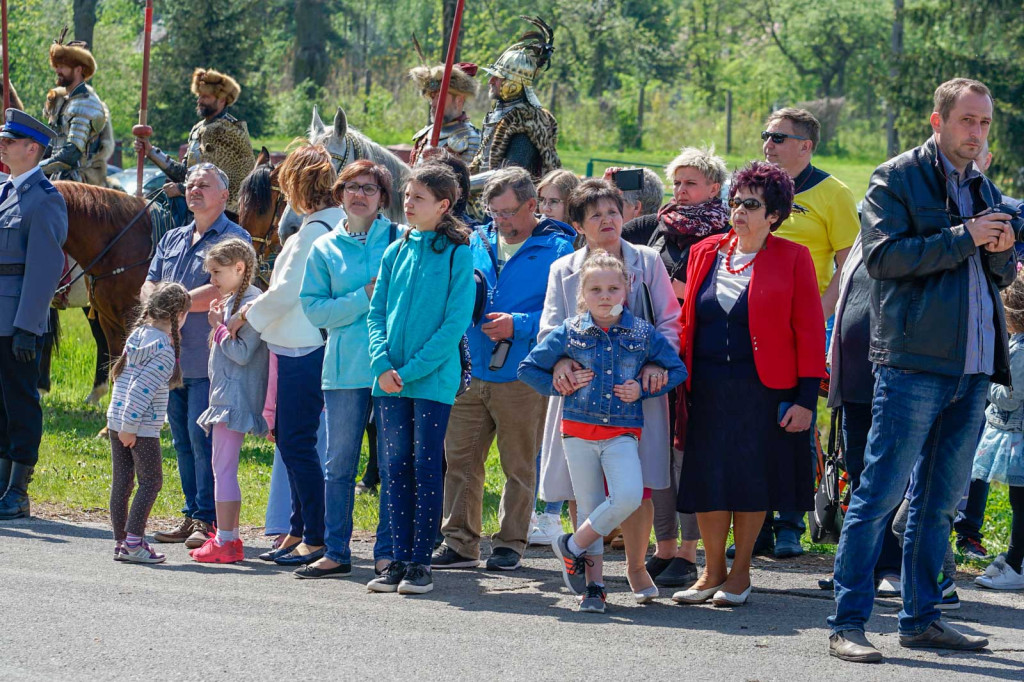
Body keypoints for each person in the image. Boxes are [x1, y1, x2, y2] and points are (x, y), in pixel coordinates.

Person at [828, 78, 1020, 663]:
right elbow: (885, 260)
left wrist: (1001, 250)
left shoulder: (985, 186)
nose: (976, 132)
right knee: (880, 494)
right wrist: (965, 236)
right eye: (966, 121)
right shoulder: (894, 177)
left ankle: (922, 620)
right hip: (912, 363)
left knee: (939, 505)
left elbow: (1000, 276)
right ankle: (848, 623)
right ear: (937, 122)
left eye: (985, 123)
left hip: (972, 368)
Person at [674, 161, 825, 607]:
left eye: (751, 204)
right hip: (706, 388)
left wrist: (804, 399)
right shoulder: (705, 251)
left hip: (764, 392)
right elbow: (685, 319)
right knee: (707, 480)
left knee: (750, 481)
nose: (739, 210)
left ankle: (740, 575)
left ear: (774, 214)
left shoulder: (792, 258)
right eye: (735, 201)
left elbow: (811, 332)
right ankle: (711, 571)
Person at [520, 250, 686, 613]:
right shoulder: (570, 332)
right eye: (596, 289)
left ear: (627, 289)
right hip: (576, 433)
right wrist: (560, 384)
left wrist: (645, 388)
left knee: (627, 495)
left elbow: (677, 371)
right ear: (583, 293)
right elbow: (528, 368)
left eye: (613, 288)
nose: (605, 296)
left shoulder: (643, 333)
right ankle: (593, 588)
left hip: (623, 432)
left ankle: (573, 544)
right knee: (590, 505)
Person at [431, 167, 575, 572]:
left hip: (523, 375)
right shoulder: (476, 241)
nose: (502, 221)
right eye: (494, 213)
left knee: (519, 464)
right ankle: (459, 542)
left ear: (532, 205)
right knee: (459, 460)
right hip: (471, 370)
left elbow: (563, 313)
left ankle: (511, 542)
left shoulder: (559, 251)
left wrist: (521, 324)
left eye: (510, 212)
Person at [621, 146, 731, 587]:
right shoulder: (652, 229)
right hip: (652, 355)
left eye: (691, 183)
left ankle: (690, 550)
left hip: (702, 359)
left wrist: (672, 287)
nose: (681, 192)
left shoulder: (728, 233)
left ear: (715, 188)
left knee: (688, 455)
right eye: (677, 183)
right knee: (657, 454)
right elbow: (603, 238)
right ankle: (664, 547)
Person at [365, 164, 475, 595]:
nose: (408, 204)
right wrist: (380, 363)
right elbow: (377, 313)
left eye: (418, 198)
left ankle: (418, 563)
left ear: (443, 205)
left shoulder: (456, 254)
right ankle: (394, 559)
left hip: (429, 382)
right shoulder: (394, 251)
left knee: (426, 467)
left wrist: (407, 371)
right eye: (407, 196)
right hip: (388, 380)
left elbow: (454, 325)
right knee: (394, 468)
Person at [228, 145, 339, 567]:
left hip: (302, 346)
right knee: (295, 442)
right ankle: (298, 526)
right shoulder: (324, 225)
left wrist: (245, 317)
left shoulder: (313, 232)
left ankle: (314, 534)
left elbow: (288, 291)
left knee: (296, 444)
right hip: (300, 344)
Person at [760, 108, 860, 559]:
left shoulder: (833, 193)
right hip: (756, 325)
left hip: (809, 327)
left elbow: (850, 265)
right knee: (755, 421)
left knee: (797, 422)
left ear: (806, 145)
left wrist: (818, 317)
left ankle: (792, 522)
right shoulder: (753, 189)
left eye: (779, 137)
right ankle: (754, 522)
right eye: (766, 135)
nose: (769, 144)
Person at [296, 160, 399, 579]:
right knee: (339, 464)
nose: (360, 194)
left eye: (370, 188)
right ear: (339, 195)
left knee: (393, 465)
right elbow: (314, 309)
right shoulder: (323, 249)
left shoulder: (399, 240)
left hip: (393, 368)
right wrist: (365, 295)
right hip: (343, 370)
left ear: (383, 198)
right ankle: (336, 550)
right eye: (352, 187)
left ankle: (388, 551)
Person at [146, 163, 251, 548]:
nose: (194, 190)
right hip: (169, 358)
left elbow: (224, 288)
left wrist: (171, 306)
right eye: (190, 184)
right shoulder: (173, 237)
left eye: (204, 185)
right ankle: (191, 514)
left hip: (208, 358)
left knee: (200, 435)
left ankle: (207, 518)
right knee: (181, 439)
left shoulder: (235, 237)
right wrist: (154, 307)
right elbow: (150, 281)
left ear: (224, 196)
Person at [822, 233, 902, 596]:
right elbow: (847, 300)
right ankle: (855, 569)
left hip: (899, 378)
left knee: (892, 477)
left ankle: (892, 566)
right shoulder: (863, 238)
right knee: (858, 473)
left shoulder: (914, 239)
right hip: (856, 379)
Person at [0, 109, 67, 520]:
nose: (2, 145)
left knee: (20, 404)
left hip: (16, 321)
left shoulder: (45, 199)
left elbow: (43, 269)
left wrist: (27, 326)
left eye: (9, 140)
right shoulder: (4, 191)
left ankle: (18, 491)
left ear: (32, 149)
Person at [191, 239, 269, 563]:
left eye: (217, 272)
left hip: (234, 396)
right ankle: (230, 538)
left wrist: (218, 328)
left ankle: (225, 540)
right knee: (221, 466)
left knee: (222, 468)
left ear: (239, 268)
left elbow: (241, 353)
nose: (213, 280)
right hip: (226, 393)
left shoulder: (250, 303)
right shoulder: (234, 300)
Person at [107, 283, 191, 564]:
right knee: (151, 482)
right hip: (138, 427)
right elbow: (140, 390)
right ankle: (133, 543)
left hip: (117, 420)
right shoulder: (163, 351)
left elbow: (126, 382)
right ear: (179, 315)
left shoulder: (139, 335)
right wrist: (130, 427)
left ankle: (123, 542)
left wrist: (122, 424)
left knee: (122, 482)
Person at [135, 68, 255, 218]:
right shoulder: (199, 128)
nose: (199, 101)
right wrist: (150, 151)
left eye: (206, 97)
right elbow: (184, 172)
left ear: (222, 100)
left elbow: (220, 180)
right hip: (196, 204)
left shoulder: (230, 130)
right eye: (199, 96)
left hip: (225, 213)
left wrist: (180, 188)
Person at [972, 271, 1024, 590]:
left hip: (1017, 438)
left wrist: (987, 383)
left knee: (1020, 501)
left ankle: (1015, 565)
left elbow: (1010, 397)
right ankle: (1016, 557)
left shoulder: (1019, 351)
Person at [470, 16, 560, 179]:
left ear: (514, 84)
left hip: (513, 200)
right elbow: (481, 165)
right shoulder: (499, 114)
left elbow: (510, 178)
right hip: (488, 197)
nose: (491, 81)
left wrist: (465, 185)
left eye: (498, 77)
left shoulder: (526, 122)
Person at [39, 35, 109, 184]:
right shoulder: (62, 101)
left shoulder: (86, 105)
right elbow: (54, 144)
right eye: (56, 66)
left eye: (62, 66)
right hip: (59, 178)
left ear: (78, 70)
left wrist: (34, 170)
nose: (57, 70)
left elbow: (70, 155)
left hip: (79, 183)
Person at [408, 62, 481, 166]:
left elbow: (470, 180)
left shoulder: (472, 139)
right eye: (432, 97)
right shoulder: (424, 137)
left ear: (459, 100)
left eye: (439, 97)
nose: (433, 104)